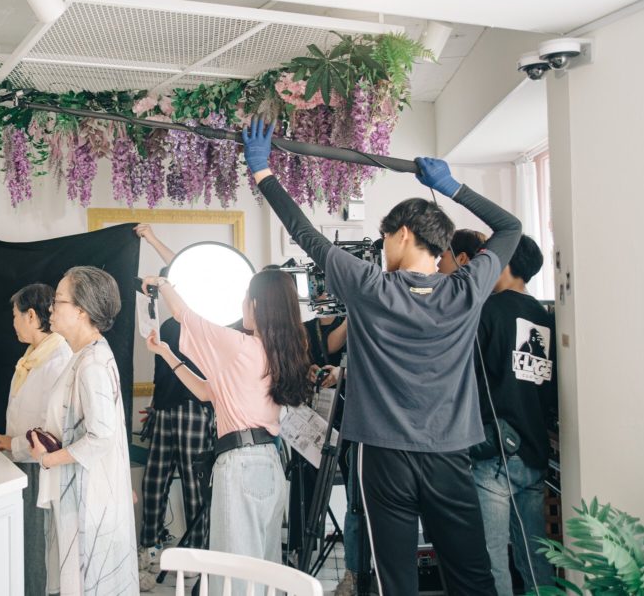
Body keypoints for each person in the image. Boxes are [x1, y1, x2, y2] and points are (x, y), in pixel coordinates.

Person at [243, 117, 521, 594]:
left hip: (383, 454)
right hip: (449, 452)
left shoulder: (371, 287)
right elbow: (509, 227)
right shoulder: (466, 288)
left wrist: (263, 171)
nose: (384, 246)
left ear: (405, 233)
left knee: (396, 580)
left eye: (387, 237)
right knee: (471, 576)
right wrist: (452, 187)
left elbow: (306, 234)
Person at [142, 268, 311, 596]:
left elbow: (184, 315)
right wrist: (166, 353)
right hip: (269, 464)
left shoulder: (240, 346)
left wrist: (163, 283)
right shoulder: (278, 353)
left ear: (257, 304)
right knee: (264, 572)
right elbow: (208, 393)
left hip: (240, 465)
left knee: (233, 577)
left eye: (246, 298)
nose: (242, 304)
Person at [30, 266, 139, 595]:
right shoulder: (88, 356)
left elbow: (101, 436)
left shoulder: (91, 363)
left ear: (80, 310)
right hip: (84, 493)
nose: (51, 308)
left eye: (57, 300)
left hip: (88, 498)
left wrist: (51, 459)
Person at [470, 235, 557, 595]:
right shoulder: (547, 316)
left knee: (492, 561)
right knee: (537, 558)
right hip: (535, 453)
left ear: (502, 261)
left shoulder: (486, 312)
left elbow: (468, 381)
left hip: (494, 453)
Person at [133, 224, 216, 587]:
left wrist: (152, 240)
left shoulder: (201, 316)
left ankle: (197, 553)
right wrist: (154, 406)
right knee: (154, 481)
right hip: (165, 408)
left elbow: (181, 266)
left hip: (195, 410)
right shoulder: (163, 322)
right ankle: (149, 547)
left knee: (196, 484)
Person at [0, 283, 72, 596]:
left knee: (37, 550)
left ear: (32, 316)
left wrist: (11, 444)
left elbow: (52, 430)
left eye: (15, 315)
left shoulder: (58, 359)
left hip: (41, 465)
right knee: (26, 545)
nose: (13, 322)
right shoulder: (33, 357)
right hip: (24, 461)